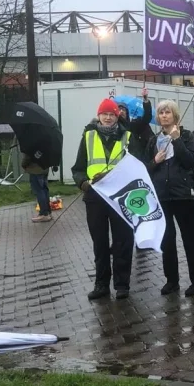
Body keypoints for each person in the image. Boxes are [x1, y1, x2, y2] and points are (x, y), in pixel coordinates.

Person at [71, 98, 141, 300]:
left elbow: (138, 165)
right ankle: (101, 284)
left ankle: (122, 284)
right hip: (95, 197)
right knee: (99, 242)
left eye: (112, 114)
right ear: (99, 116)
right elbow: (78, 168)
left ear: (117, 116)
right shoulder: (88, 136)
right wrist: (84, 184)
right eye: (105, 114)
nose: (108, 118)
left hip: (121, 197)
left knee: (123, 241)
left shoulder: (128, 136)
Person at [147, 100, 194, 297]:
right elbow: (147, 169)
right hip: (162, 196)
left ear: (175, 115)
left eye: (168, 112)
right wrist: (154, 162)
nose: (164, 115)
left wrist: (177, 140)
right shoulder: (153, 140)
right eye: (161, 112)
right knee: (167, 240)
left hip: (183, 196)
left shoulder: (187, 135)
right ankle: (171, 280)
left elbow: (191, 162)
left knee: (190, 240)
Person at [117, 87, 154, 161]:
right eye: (119, 109)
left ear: (127, 112)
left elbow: (147, 118)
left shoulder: (133, 125)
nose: (121, 111)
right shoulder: (114, 127)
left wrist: (145, 100)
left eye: (123, 109)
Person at [22, 153, 52, 223]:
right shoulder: (45, 142)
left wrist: (23, 164)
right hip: (44, 168)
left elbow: (28, 156)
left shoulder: (33, 143)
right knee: (45, 190)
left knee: (39, 191)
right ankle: (48, 212)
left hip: (35, 169)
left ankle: (44, 214)